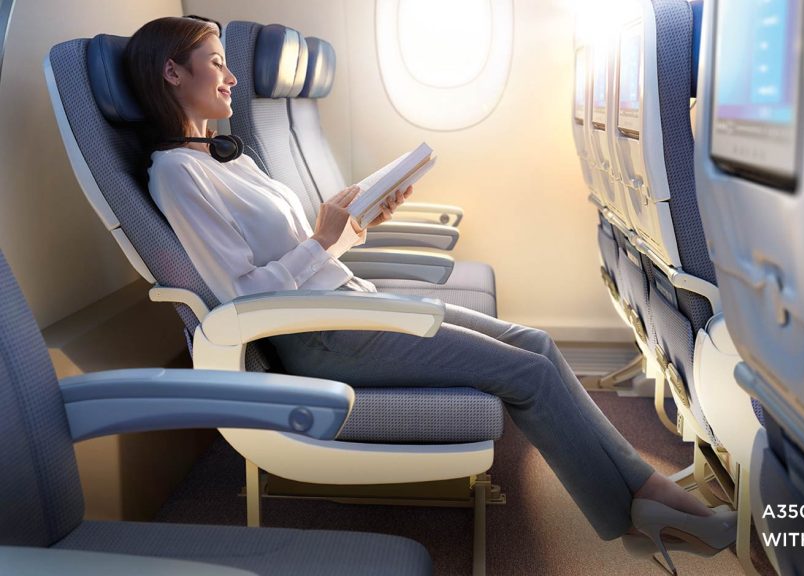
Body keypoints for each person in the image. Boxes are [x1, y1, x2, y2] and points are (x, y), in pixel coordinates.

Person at [124, 17, 736, 573]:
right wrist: (323, 240)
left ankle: (646, 502)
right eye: (214, 62)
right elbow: (241, 299)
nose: (230, 76)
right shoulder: (177, 174)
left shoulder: (224, 158)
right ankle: (644, 508)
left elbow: (299, 250)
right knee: (526, 372)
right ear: (171, 72)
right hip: (323, 337)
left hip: (347, 303)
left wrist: (351, 224)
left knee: (538, 344)